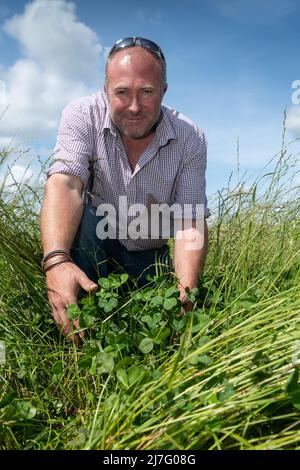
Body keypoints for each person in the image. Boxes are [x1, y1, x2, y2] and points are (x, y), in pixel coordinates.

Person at [40, 37, 210, 345]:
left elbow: (190, 220)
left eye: (147, 92)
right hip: (96, 246)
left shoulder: (190, 137)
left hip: (150, 255)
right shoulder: (81, 115)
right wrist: (55, 261)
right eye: (121, 93)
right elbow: (65, 183)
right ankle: (78, 339)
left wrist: (185, 293)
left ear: (164, 91)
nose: (134, 106)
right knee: (87, 220)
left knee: (159, 325)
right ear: (106, 90)